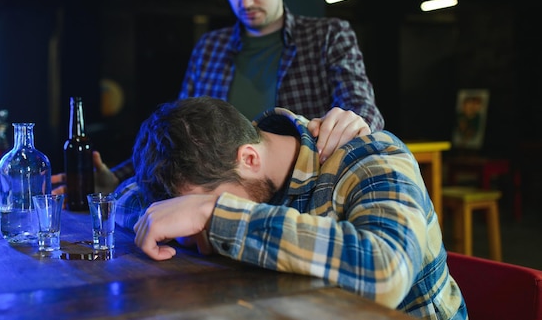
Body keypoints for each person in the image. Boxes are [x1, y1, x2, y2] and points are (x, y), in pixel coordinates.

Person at [55, 0, 384, 193]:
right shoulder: (210, 47)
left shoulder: (328, 36)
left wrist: (354, 121)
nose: (246, 0)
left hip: (303, 192)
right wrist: (117, 176)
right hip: (217, 195)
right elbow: (177, 135)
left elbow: (364, 110)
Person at [116, 96, 467, 320]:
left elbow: (387, 273)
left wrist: (214, 214)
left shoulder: (370, 156)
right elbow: (129, 196)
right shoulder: (232, 163)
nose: (197, 232)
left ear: (249, 158)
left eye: (212, 200)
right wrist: (181, 214)